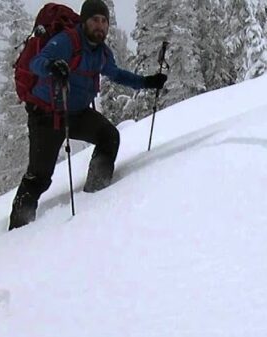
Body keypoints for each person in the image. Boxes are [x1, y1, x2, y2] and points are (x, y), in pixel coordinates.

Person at [9, 0, 167, 230]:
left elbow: (116, 74)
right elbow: (37, 62)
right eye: (95, 20)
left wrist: (147, 82)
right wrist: (53, 66)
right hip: (46, 116)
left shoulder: (101, 53)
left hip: (77, 114)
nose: (100, 26)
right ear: (84, 21)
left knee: (109, 136)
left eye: (104, 21)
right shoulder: (67, 41)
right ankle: (17, 232)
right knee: (38, 177)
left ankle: (96, 194)